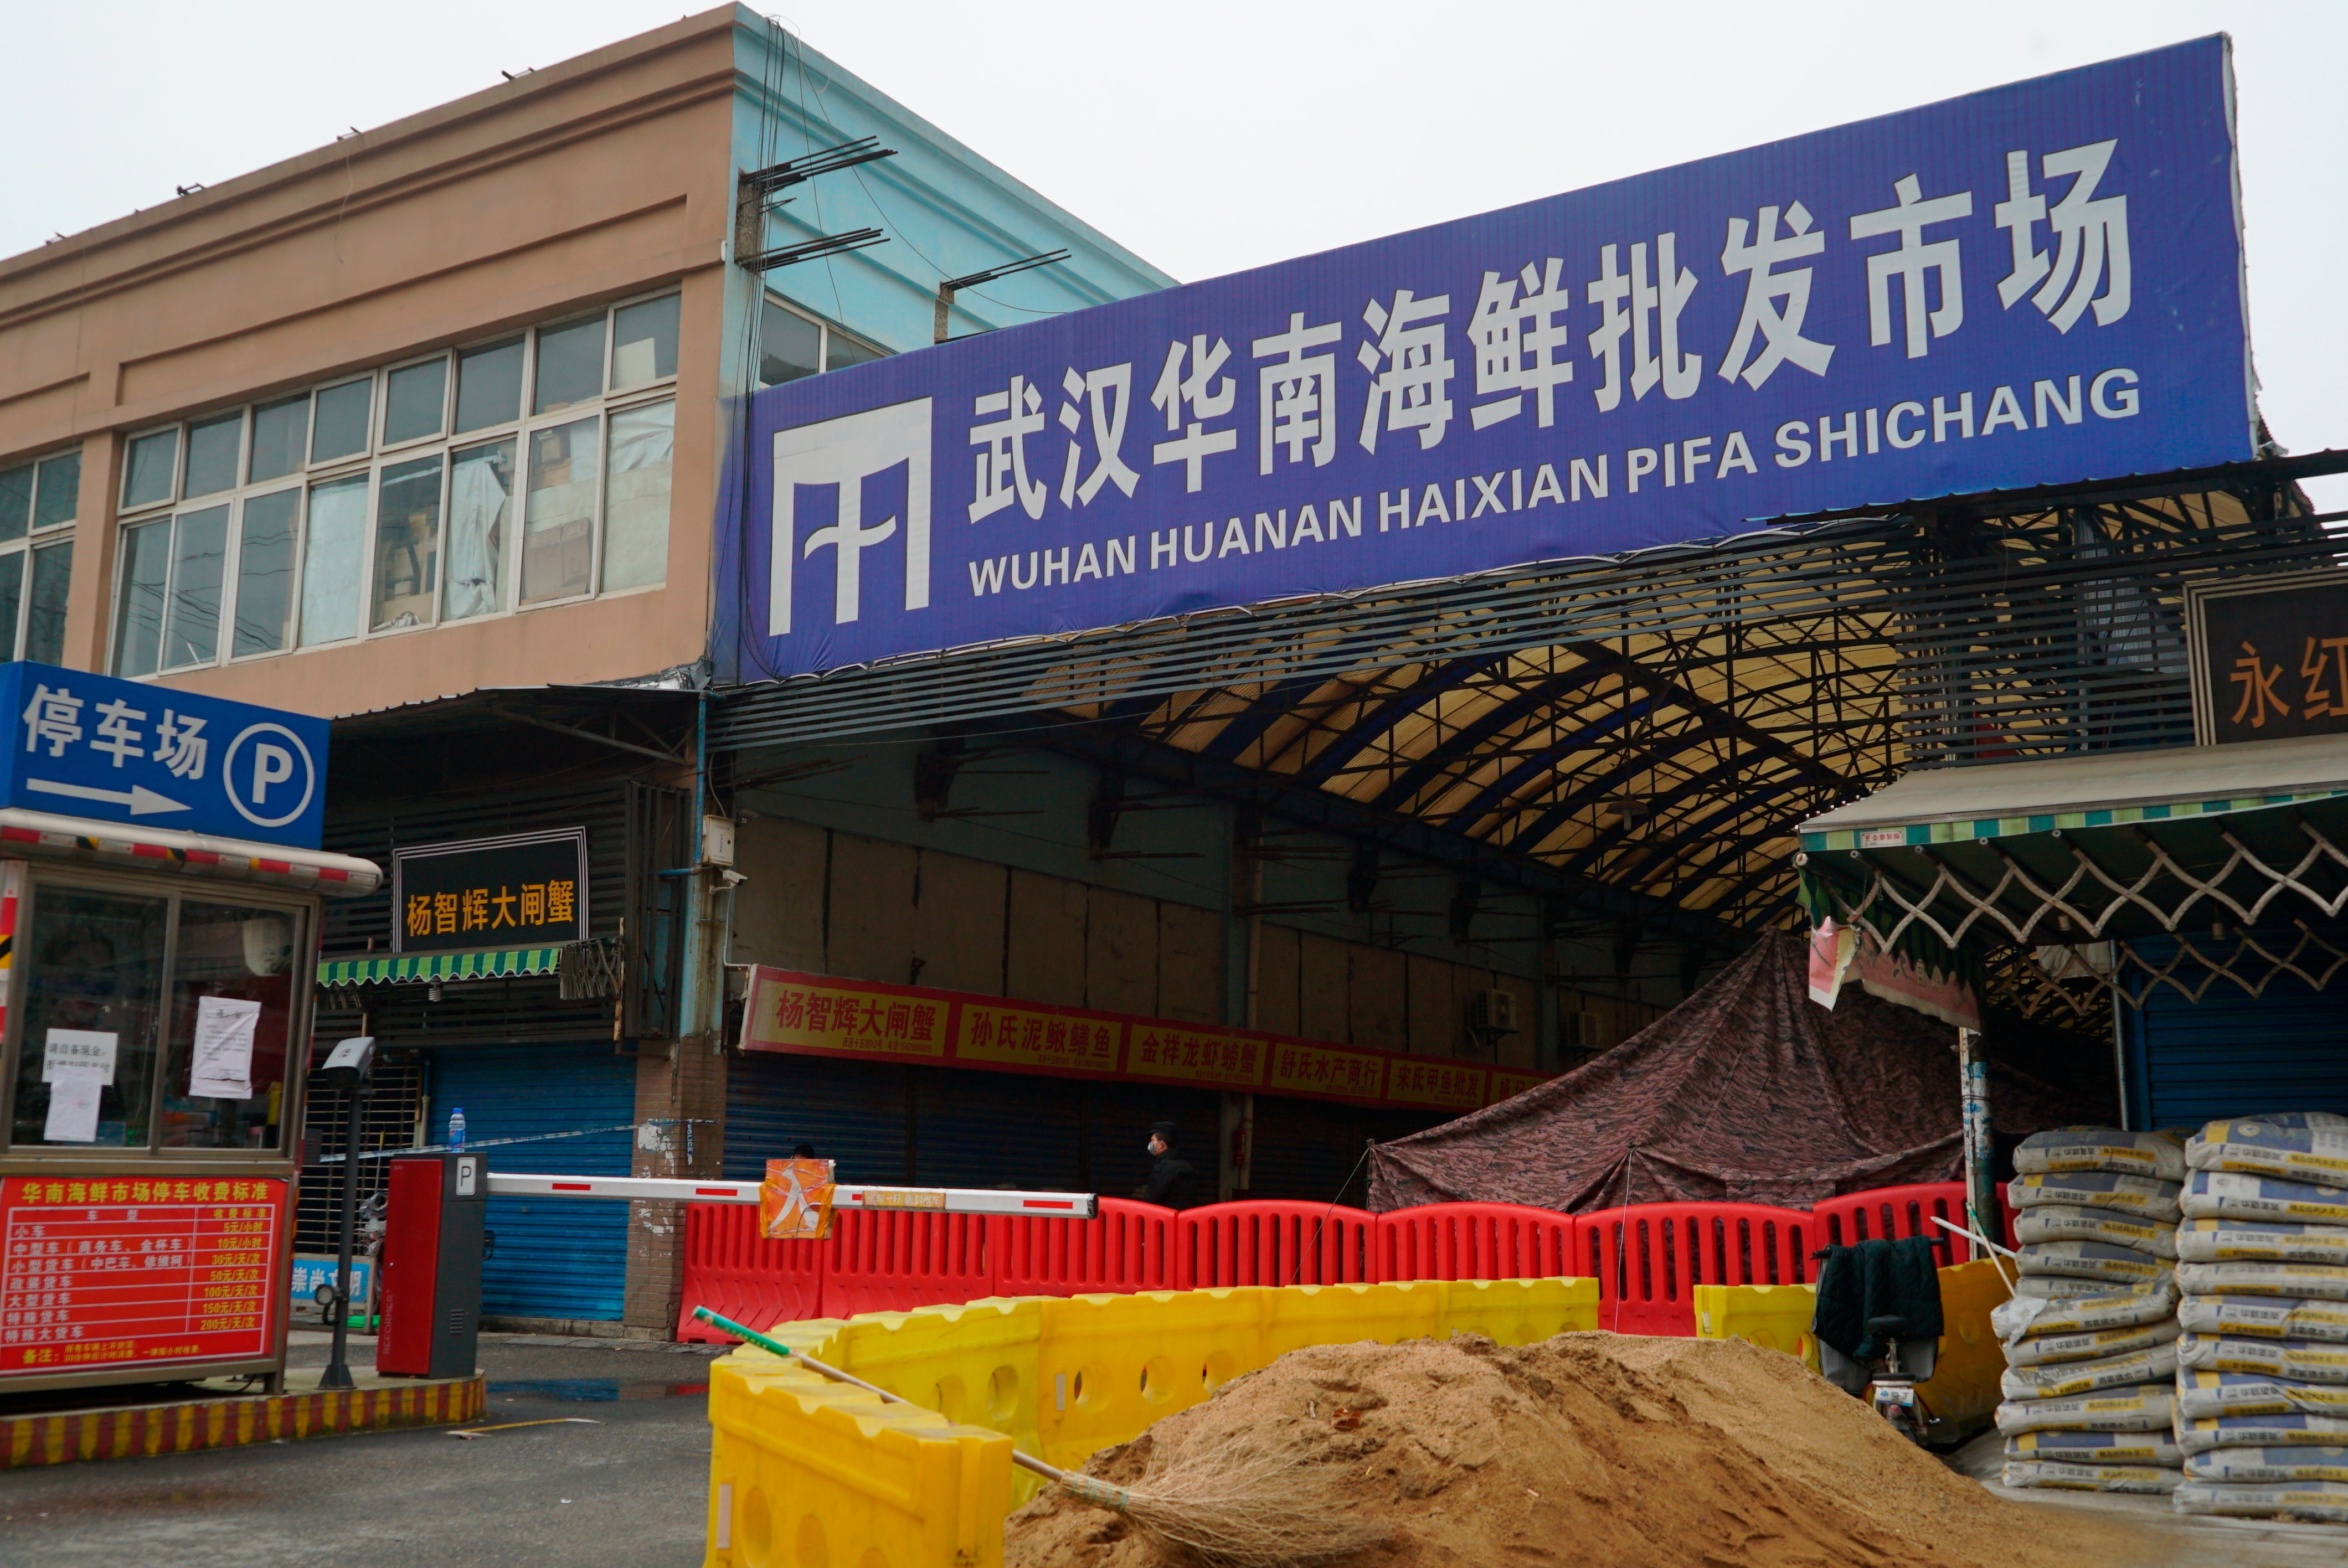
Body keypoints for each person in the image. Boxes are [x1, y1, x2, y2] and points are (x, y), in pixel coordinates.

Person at [1141, 1120, 1197, 1210]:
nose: (1150, 1144)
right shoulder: (1188, 1168)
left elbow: (1153, 1200)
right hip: (1187, 1220)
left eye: (1152, 1140)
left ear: (1161, 1144)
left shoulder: (1163, 1169)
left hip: (1166, 1220)